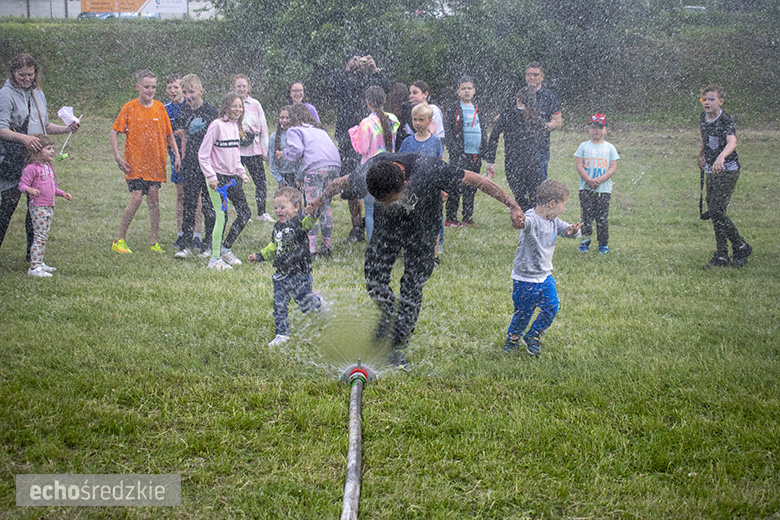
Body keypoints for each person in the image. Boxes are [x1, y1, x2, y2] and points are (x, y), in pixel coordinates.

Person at [306, 153, 524, 367]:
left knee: (412, 285)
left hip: (423, 229)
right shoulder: (373, 169)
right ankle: (388, 314)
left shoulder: (428, 169)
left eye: (389, 201)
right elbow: (338, 183)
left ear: (405, 183)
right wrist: (317, 203)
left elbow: (476, 179)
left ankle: (396, 345)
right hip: (388, 229)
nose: (384, 206)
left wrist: (512, 205)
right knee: (374, 278)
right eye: (380, 201)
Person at [1, 53, 79, 260]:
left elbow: (44, 126)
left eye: (30, 74)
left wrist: (66, 129)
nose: (26, 79)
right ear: (13, 73)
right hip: (14, 156)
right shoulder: (5, 95)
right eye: (22, 75)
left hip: (36, 159)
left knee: (36, 206)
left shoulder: (38, 93)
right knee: (8, 205)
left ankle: (32, 254)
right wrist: (25, 139)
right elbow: (1, 129)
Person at [504, 179, 582, 357]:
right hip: (525, 278)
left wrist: (573, 230)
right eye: (563, 205)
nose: (564, 209)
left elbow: (567, 231)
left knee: (552, 307)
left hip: (545, 276)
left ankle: (533, 335)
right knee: (523, 312)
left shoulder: (553, 220)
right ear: (552, 203)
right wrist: (520, 222)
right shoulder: (532, 219)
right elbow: (525, 223)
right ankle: (513, 339)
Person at [110, 69, 180, 254]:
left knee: (154, 201)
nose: (150, 90)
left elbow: (169, 134)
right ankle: (119, 239)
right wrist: (118, 157)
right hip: (135, 164)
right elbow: (114, 132)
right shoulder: (129, 108)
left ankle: (154, 242)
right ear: (138, 87)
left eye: (153, 87)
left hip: (155, 165)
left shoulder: (160, 108)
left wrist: (177, 155)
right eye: (146, 87)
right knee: (136, 198)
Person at [249, 186, 324, 347]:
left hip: (300, 274)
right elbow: (273, 246)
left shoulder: (301, 222)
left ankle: (318, 303)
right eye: (276, 207)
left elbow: (310, 222)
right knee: (279, 305)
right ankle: (282, 334)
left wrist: (314, 211)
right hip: (281, 275)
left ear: (296, 207)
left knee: (305, 305)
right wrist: (259, 256)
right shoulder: (277, 226)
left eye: (282, 207)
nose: (278, 210)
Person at [328, 51, 391, 242]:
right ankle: (356, 227)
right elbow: (331, 86)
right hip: (349, 140)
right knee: (351, 185)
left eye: (361, 62)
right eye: (354, 62)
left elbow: (386, 88)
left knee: (375, 182)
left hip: (372, 140)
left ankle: (375, 221)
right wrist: (347, 69)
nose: (358, 65)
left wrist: (375, 69)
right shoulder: (344, 82)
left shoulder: (369, 83)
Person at [697, 85, 752, 269]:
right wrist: (701, 154)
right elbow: (706, 138)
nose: (707, 102)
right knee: (714, 212)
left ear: (721, 101)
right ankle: (722, 256)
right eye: (705, 99)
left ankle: (740, 246)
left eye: (712, 99)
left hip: (728, 168)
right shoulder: (703, 118)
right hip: (712, 169)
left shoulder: (725, 119)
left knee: (717, 210)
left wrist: (721, 157)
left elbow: (732, 141)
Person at [198, 91, 251, 270]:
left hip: (232, 178)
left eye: (240, 106)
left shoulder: (236, 126)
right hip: (217, 179)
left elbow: (235, 155)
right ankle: (214, 259)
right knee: (221, 216)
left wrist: (241, 172)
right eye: (234, 106)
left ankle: (226, 248)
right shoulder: (217, 125)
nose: (238, 109)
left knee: (245, 213)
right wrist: (211, 176)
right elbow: (203, 154)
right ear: (226, 107)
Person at [280, 103, 341, 258]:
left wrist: (283, 154)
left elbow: (297, 150)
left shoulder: (295, 130)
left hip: (315, 169)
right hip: (334, 166)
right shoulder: (319, 129)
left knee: (312, 207)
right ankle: (326, 248)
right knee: (325, 206)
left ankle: (311, 250)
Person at [173, 74, 218, 259]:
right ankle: (186, 245)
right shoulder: (183, 110)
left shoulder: (211, 111)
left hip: (208, 164)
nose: (189, 96)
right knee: (189, 203)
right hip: (190, 162)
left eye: (191, 92)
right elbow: (177, 131)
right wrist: (180, 133)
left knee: (208, 205)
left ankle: (208, 245)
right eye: (185, 92)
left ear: (201, 91)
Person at [349, 85, 399, 241]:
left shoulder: (366, 123)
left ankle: (373, 243)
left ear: (367, 102)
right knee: (388, 208)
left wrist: (354, 133)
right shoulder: (392, 119)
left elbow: (362, 149)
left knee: (370, 210)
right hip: (390, 167)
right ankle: (390, 241)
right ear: (384, 100)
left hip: (371, 170)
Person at [485, 87, 548, 211]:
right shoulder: (537, 117)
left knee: (520, 195)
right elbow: (542, 138)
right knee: (535, 193)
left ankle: (525, 215)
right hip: (533, 162)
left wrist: (490, 161)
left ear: (517, 100)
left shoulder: (507, 114)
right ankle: (536, 216)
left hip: (513, 162)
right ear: (534, 101)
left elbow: (493, 137)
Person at [17, 134, 72, 277]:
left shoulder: (47, 167)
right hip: (38, 207)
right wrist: (29, 190)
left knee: (44, 236)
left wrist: (62, 193)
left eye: (52, 148)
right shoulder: (32, 168)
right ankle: (34, 267)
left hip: (49, 206)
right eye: (48, 149)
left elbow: (51, 187)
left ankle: (39, 262)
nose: (52, 151)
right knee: (39, 236)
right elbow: (22, 185)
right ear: (37, 151)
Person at [398, 103, 445, 264]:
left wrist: (443, 187)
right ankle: (412, 250)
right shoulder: (407, 142)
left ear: (430, 121)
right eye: (415, 119)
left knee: (434, 221)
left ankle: (433, 255)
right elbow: (400, 165)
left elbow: (441, 164)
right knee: (412, 220)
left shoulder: (436, 142)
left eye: (421, 120)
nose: (417, 123)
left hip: (432, 187)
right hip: (412, 188)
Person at [444, 76, 488, 227]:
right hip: (459, 154)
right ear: (458, 91)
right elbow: (448, 131)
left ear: (474, 91)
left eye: (469, 88)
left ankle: (468, 218)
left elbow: (484, 130)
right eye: (463, 88)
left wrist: (484, 151)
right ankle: (450, 218)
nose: (467, 91)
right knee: (456, 185)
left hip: (475, 154)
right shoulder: (454, 109)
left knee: (472, 187)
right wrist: (453, 149)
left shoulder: (478, 109)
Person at [575, 113, 619, 255]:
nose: (596, 130)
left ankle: (603, 244)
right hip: (585, 189)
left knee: (602, 218)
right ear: (589, 129)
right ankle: (584, 243)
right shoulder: (583, 146)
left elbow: (613, 167)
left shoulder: (610, 148)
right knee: (586, 217)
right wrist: (588, 179)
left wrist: (600, 180)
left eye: (600, 127)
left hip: (604, 189)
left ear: (606, 130)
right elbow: (579, 165)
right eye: (594, 127)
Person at [234, 74, 273, 222]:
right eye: (239, 86)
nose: (241, 89)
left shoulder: (255, 104)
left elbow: (263, 127)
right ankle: (243, 213)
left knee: (260, 181)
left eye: (244, 86)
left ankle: (261, 212)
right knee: (237, 183)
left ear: (248, 87)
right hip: (237, 149)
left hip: (254, 148)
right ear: (234, 88)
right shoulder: (231, 104)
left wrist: (265, 150)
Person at [521, 61, 562, 181]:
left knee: (540, 185)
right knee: (520, 185)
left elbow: (558, 122)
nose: (531, 77)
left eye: (535, 75)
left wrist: (541, 126)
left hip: (540, 147)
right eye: (529, 74)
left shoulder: (549, 96)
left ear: (542, 77)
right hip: (520, 148)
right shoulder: (520, 94)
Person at [164, 74, 188, 249]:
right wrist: (171, 136)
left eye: (176, 87)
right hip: (175, 156)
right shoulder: (164, 109)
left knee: (197, 196)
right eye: (170, 88)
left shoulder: (190, 106)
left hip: (193, 156)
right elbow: (161, 134)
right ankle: (180, 233)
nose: (173, 91)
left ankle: (196, 233)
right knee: (180, 195)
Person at [397, 80, 444, 149]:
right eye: (410, 93)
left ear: (425, 94)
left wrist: (408, 115)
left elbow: (427, 135)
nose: (410, 96)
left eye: (415, 93)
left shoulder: (433, 110)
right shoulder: (410, 110)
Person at [268, 106, 301, 188]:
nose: (284, 120)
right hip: (282, 174)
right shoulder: (274, 137)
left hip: (297, 174)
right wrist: (280, 180)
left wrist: (298, 178)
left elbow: (301, 158)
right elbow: (272, 160)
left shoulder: (298, 135)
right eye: (282, 118)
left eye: (287, 118)